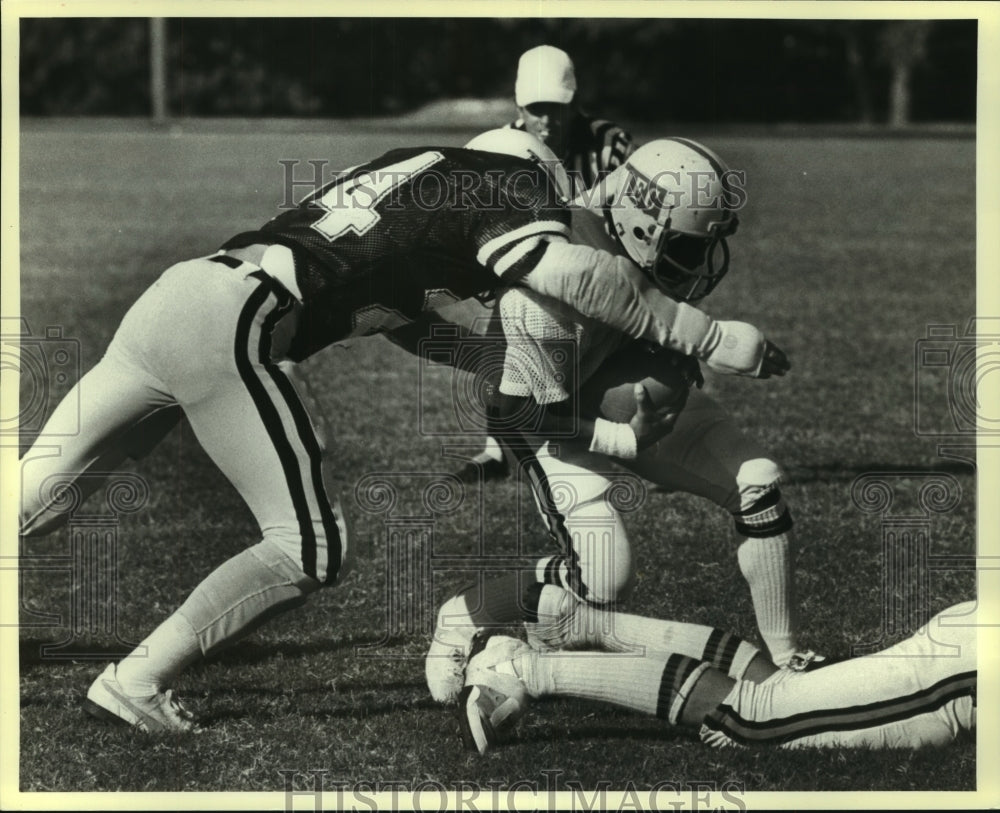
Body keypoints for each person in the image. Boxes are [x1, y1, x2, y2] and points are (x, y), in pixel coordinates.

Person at [20, 132, 786, 733]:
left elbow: (404, 322)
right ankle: (137, 681)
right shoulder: (509, 185)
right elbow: (573, 274)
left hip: (179, 294)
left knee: (31, 498)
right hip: (235, 321)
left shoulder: (420, 191)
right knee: (310, 546)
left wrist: (510, 372)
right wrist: (709, 337)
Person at [425, 135, 809, 707]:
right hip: (553, 419)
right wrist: (626, 439)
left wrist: (666, 361)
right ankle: (463, 616)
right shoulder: (543, 298)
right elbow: (517, 412)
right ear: (643, 226)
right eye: (685, 248)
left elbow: (647, 309)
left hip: (619, 399)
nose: (699, 264)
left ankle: (789, 666)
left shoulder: (614, 224)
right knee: (604, 578)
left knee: (757, 483)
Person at [459, 593, 977, 754]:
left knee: (773, 689)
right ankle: (520, 669)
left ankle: (578, 622)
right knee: (755, 717)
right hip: (973, 661)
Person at [455, 44, 636, 483]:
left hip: (601, 267)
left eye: (557, 108)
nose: (548, 121)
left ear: (574, 103)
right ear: (520, 106)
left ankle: (636, 441)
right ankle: (498, 448)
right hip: (528, 271)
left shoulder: (609, 145)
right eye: (538, 109)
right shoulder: (500, 148)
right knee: (504, 335)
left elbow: (630, 224)